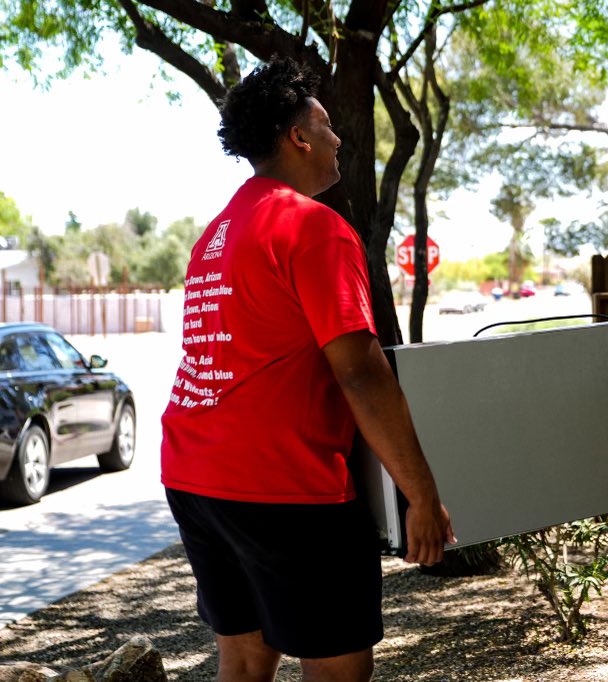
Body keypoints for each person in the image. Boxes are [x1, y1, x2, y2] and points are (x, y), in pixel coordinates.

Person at [161, 57, 454, 682]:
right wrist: (422, 495)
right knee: (338, 667)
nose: (338, 137)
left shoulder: (215, 233)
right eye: (325, 123)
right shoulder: (314, 227)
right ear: (297, 137)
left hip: (194, 474)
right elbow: (361, 373)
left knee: (242, 658)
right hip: (282, 483)